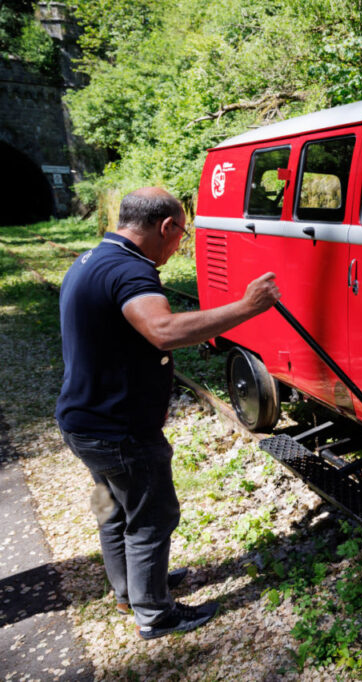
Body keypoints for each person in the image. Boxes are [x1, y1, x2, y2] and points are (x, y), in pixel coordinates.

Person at [55, 187, 280, 639]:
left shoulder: (91, 258)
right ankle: (155, 614)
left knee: (117, 511)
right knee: (152, 517)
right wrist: (247, 306)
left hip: (84, 420)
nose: (179, 247)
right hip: (120, 430)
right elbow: (162, 330)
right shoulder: (129, 270)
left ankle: (131, 591)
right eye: (182, 235)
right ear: (167, 227)